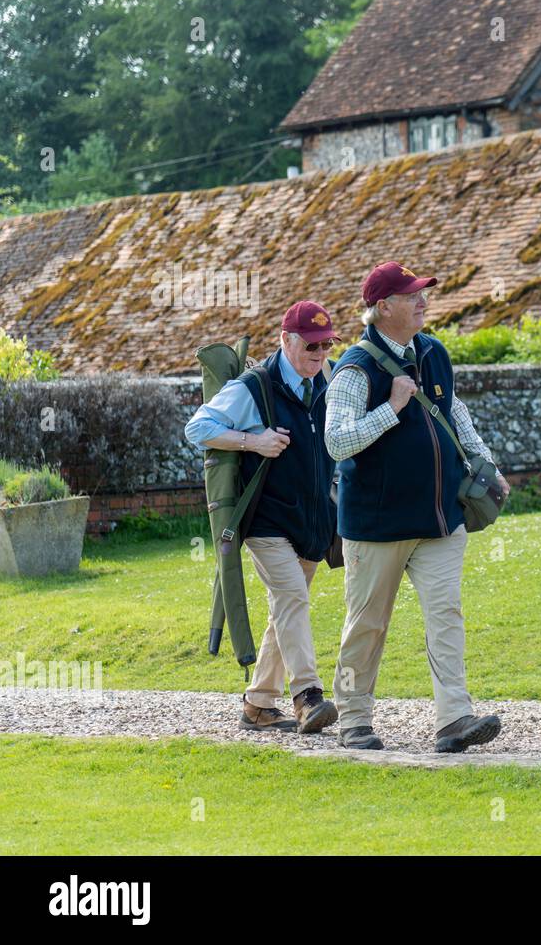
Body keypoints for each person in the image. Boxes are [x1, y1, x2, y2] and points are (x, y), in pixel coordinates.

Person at [324, 261, 509, 752]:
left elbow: (456, 412)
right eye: (412, 295)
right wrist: (392, 409)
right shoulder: (353, 367)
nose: (423, 301)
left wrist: (484, 461)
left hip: (441, 519)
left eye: (422, 293)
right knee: (366, 624)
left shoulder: (434, 352)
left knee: (446, 615)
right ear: (383, 308)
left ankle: (454, 719)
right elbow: (337, 443)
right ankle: (352, 719)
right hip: (375, 526)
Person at [185, 301, 340, 735]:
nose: (320, 352)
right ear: (286, 340)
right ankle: (308, 697)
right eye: (312, 345)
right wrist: (252, 442)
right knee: (292, 597)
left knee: (285, 610)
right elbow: (198, 427)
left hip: (313, 521)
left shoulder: (326, 379)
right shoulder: (254, 386)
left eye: (327, 344)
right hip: (266, 520)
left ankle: (257, 703)